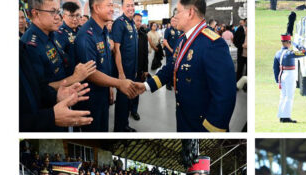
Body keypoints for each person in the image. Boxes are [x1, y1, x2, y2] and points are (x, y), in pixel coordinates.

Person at [141, 0, 237, 132]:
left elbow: (225, 94)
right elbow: (171, 67)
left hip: (201, 126)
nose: (175, 17)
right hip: (184, 119)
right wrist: (146, 85)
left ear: (190, 12)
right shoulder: (183, 39)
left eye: (177, 12)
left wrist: (212, 132)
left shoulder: (213, 44)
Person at [76, 0, 142, 132]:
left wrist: (110, 87)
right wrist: (118, 82)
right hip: (91, 96)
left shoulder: (103, 31)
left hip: (103, 92)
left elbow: (105, 63)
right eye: (109, 5)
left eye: (112, 5)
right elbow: (91, 73)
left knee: (103, 129)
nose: (112, 9)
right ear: (96, 8)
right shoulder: (86, 35)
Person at [110, 0, 139, 132]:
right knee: (122, 101)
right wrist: (121, 73)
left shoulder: (132, 23)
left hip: (132, 69)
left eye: (132, 5)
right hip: (124, 70)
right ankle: (119, 130)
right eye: (128, 5)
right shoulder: (119, 23)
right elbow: (117, 50)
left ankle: (125, 125)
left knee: (128, 100)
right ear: (122, 7)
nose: (130, 8)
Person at [273, 34, 306, 123]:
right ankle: (286, 117)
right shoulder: (289, 53)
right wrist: (297, 44)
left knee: (283, 96)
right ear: (288, 42)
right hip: (289, 75)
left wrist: (277, 80)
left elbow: (275, 68)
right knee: (289, 96)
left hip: (282, 75)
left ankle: (281, 115)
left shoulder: (277, 53)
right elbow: (305, 52)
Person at [54, 2, 82, 75]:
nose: (75, 19)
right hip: (70, 76)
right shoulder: (59, 34)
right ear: (63, 16)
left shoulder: (81, 31)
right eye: (71, 16)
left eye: (77, 15)